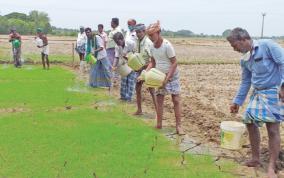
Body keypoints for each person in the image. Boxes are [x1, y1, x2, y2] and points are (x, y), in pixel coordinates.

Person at [227, 27, 284, 178]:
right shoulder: (245, 58)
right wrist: (237, 102)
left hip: (274, 91)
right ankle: (256, 158)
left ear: (244, 39)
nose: (234, 49)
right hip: (257, 93)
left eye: (235, 46)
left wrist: (283, 86)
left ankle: (272, 166)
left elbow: (283, 63)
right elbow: (246, 81)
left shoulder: (267, 46)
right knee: (249, 121)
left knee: (272, 128)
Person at [145, 21, 184, 135]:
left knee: (176, 100)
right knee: (160, 99)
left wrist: (167, 78)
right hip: (159, 76)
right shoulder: (152, 47)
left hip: (172, 76)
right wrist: (145, 73)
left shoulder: (167, 45)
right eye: (149, 36)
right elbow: (152, 62)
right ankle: (159, 124)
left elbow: (174, 62)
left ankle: (179, 126)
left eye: (152, 35)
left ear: (158, 32)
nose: (151, 38)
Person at [134, 23, 157, 115]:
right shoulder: (138, 41)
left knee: (152, 90)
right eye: (136, 32)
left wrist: (145, 71)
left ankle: (157, 111)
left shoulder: (148, 43)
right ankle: (139, 110)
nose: (138, 34)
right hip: (140, 68)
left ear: (144, 32)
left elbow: (152, 60)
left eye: (139, 32)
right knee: (137, 88)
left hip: (148, 68)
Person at [113, 32, 136, 102]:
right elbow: (116, 57)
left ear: (122, 39)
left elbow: (136, 53)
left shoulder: (131, 43)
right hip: (123, 65)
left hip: (132, 64)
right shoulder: (117, 46)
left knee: (131, 82)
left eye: (118, 41)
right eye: (116, 42)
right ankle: (123, 97)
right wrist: (114, 66)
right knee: (123, 81)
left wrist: (128, 56)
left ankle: (129, 98)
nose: (117, 43)